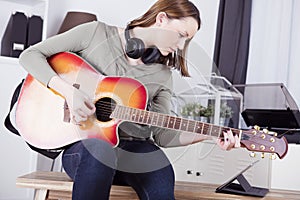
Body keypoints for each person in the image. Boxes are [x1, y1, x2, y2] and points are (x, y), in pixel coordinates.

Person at [19, 0, 240, 199]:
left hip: (132, 151)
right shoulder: (94, 34)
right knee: (100, 149)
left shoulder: (162, 75)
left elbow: (162, 133)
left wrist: (210, 134)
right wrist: (69, 92)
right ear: (161, 18)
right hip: (86, 149)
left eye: (187, 40)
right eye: (181, 35)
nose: (181, 47)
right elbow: (30, 55)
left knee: (158, 164)